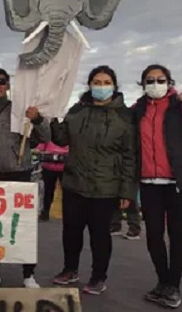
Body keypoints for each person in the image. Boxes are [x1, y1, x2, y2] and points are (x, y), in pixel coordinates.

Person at [50, 66, 137, 295]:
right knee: (71, 232)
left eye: (106, 82)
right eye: (96, 82)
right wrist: (49, 118)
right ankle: (70, 270)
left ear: (114, 85)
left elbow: (130, 156)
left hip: (106, 187)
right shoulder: (77, 110)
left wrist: (127, 192)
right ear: (89, 85)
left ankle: (98, 276)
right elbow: (61, 138)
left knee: (100, 235)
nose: (101, 86)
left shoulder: (125, 116)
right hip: (74, 182)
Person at [133, 64, 182, 309]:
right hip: (149, 182)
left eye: (160, 79)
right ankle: (163, 281)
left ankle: (173, 286)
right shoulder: (137, 109)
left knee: (177, 235)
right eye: (150, 79)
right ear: (143, 83)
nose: (155, 83)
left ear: (169, 81)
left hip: (179, 182)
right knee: (154, 235)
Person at [0, 67, 45, 289]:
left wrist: (38, 119)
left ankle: (28, 273)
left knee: (22, 225)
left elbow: (46, 137)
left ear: (8, 85)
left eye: (1, 82)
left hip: (19, 173)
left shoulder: (21, 110)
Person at [36, 140, 68, 222]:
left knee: (68, 193)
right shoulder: (48, 135)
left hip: (65, 168)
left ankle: (69, 214)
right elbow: (38, 149)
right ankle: (45, 213)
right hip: (49, 167)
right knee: (48, 191)